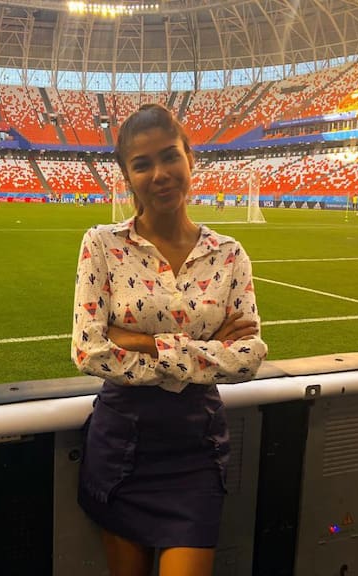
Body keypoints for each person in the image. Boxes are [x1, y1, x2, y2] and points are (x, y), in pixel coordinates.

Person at [71, 104, 267, 576]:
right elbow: (89, 351)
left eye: (169, 156)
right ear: (127, 176)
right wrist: (206, 349)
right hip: (121, 446)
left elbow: (247, 358)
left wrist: (143, 342)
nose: (159, 174)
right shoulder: (102, 245)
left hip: (195, 449)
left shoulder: (229, 255)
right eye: (142, 164)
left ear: (189, 158)